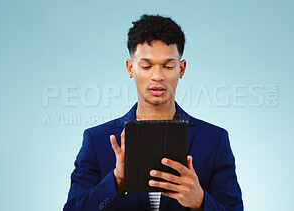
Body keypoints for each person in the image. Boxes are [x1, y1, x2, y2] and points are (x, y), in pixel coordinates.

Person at [63, 14, 243, 211]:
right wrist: (116, 181)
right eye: (146, 66)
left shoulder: (214, 140)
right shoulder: (97, 140)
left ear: (181, 69)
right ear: (130, 68)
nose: (157, 76)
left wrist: (200, 201)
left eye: (168, 66)